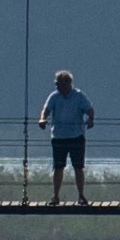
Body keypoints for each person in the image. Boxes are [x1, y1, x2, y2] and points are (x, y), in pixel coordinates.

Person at [37, 69, 97, 208]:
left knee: (78, 167)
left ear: (67, 83)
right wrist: (42, 119)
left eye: (59, 83)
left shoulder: (79, 96)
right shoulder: (54, 96)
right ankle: (55, 196)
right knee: (58, 167)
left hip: (76, 137)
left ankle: (81, 195)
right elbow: (46, 110)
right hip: (59, 137)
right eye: (56, 83)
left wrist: (91, 119)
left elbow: (90, 109)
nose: (57, 86)